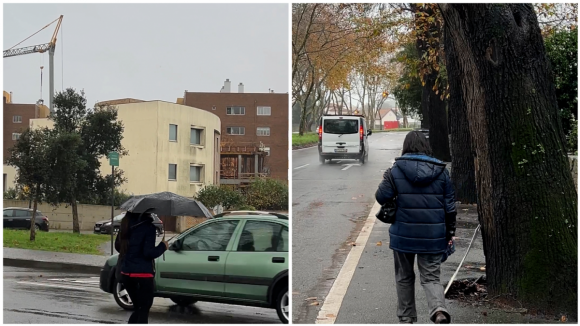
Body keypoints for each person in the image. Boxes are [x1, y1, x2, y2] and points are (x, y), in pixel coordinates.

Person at [375, 131, 456, 324]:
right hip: (433, 235)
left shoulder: (395, 171)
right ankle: (438, 310)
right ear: (426, 147)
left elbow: (381, 196)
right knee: (431, 277)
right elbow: (450, 207)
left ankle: (407, 317)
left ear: (406, 147)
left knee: (404, 276)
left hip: (403, 234)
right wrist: (450, 231)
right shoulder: (442, 172)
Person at [115, 211, 168, 324]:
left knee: (139, 308)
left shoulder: (125, 224)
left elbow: (118, 246)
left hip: (126, 274)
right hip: (143, 275)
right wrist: (163, 246)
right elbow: (148, 253)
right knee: (143, 309)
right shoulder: (149, 227)